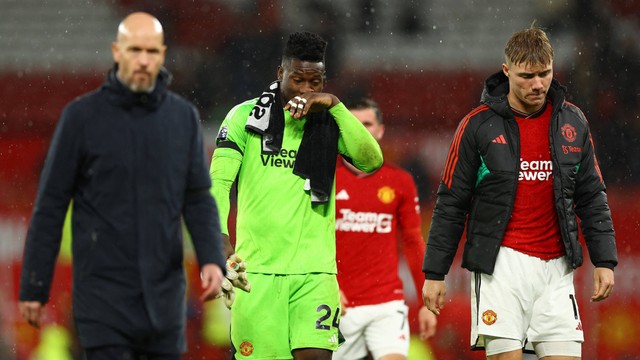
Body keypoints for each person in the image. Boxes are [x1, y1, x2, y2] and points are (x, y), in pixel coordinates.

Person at [18, 12, 226, 359]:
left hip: (164, 300)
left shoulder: (182, 119)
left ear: (162, 54)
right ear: (117, 51)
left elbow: (197, 197)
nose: (143, 60)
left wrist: (211, 259)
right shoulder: (81, 118)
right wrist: (34, 286)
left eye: (151, 51)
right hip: (102, 298)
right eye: (134, 50)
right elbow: (51, 205)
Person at [421, 24, 617, 360]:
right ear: (507, 71)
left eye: (545, 74)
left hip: (557, 270)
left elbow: (591, 196)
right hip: (500, 269)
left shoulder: (573, 122)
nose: (538, 84)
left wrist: (605, 260)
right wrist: (434, 273)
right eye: (528, 76)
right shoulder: (477, 126)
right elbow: (452, 202)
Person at [209, 31, 383, 359]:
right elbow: (218, 184)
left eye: (314, 81)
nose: (305, 89)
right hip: (255, 274)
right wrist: (218, 240)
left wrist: (335, 105)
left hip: (315, 273)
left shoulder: (330, 122)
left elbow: (371, 160)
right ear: (280, 73)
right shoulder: (244, 118)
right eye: (297, 79)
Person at [333, 98, 437, 360]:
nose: (361, 131)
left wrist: (426, 302)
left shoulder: (399, 182)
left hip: (386, 302)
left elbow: (413, 242)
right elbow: (308, 239)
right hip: (338, 302)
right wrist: (325, 285)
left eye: (367, 124)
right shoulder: (326, 180)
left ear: (380, 130)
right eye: (354, 125)